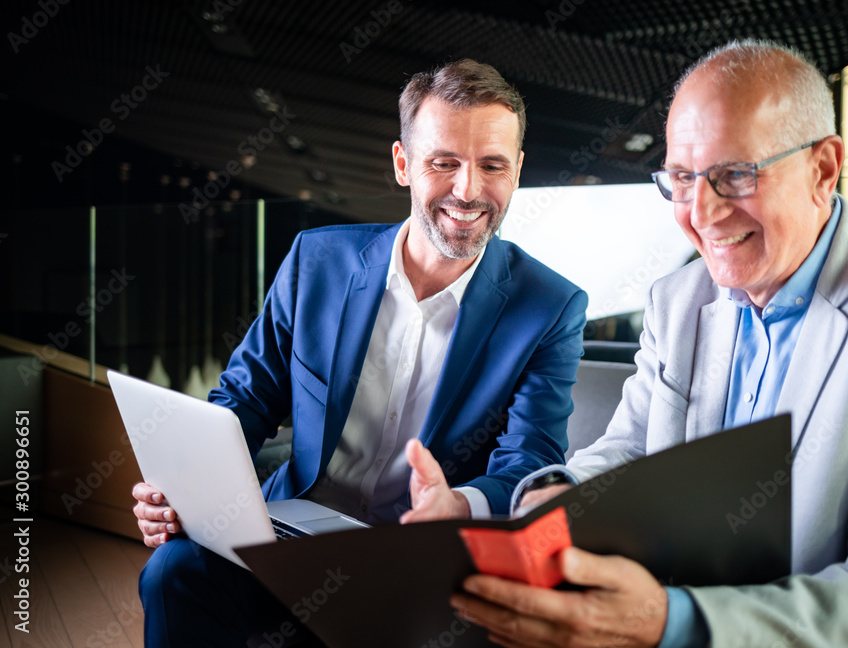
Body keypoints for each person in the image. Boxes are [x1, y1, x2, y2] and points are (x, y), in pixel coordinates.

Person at [449, 40, 848, 648]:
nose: (702, 213)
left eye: (735, 174)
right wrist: (560, 498)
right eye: (682, 179)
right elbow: (632, 451)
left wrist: (670, 623)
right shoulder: (678, 301)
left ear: (822, 169)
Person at [132, 59, 588, 647]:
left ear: (518, 171)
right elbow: (246, 397)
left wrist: (460, 505)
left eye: (492, 165)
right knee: (173, 571)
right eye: (443, 162)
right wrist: (185, 488)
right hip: (287, 532)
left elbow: (527, 463)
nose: (468, 190)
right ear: (403, 164)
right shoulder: (315, 261)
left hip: (416, 564)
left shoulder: (550, 307)